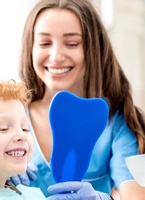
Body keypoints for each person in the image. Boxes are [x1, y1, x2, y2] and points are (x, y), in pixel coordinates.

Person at [13, 0, 145, 199]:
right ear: (30, 48)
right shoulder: (9, 114)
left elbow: (134, 197)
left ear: (94, 49)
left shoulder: (116, 123)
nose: (56, 56)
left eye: (72, 43)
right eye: (44, 43)